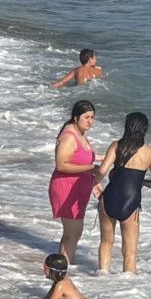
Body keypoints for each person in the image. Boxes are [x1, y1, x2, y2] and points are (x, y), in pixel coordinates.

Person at [94, 112, 151, 273]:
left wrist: (95, 182)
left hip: (109, 197)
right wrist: (142, 182)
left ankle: (101, 278)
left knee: (106, 242)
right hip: (131, 202)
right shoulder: (150, 153)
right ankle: (128, 288)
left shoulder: (116, 145)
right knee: (130, 252)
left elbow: (103, 170)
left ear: (127, 127)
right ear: (144, 130)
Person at [50, 100, 99, 263]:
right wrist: (91, 169)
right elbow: (61, 164)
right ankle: (64, 270)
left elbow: (85, 157)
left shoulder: (81, 133)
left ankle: (61, 270)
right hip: (66, 187)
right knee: (74, 232)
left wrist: (96, 180)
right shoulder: (69, 136)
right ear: (76, 117)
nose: (90, 121)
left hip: (79, 188)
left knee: (71, 234)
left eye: (92, 117)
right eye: (87, 117)